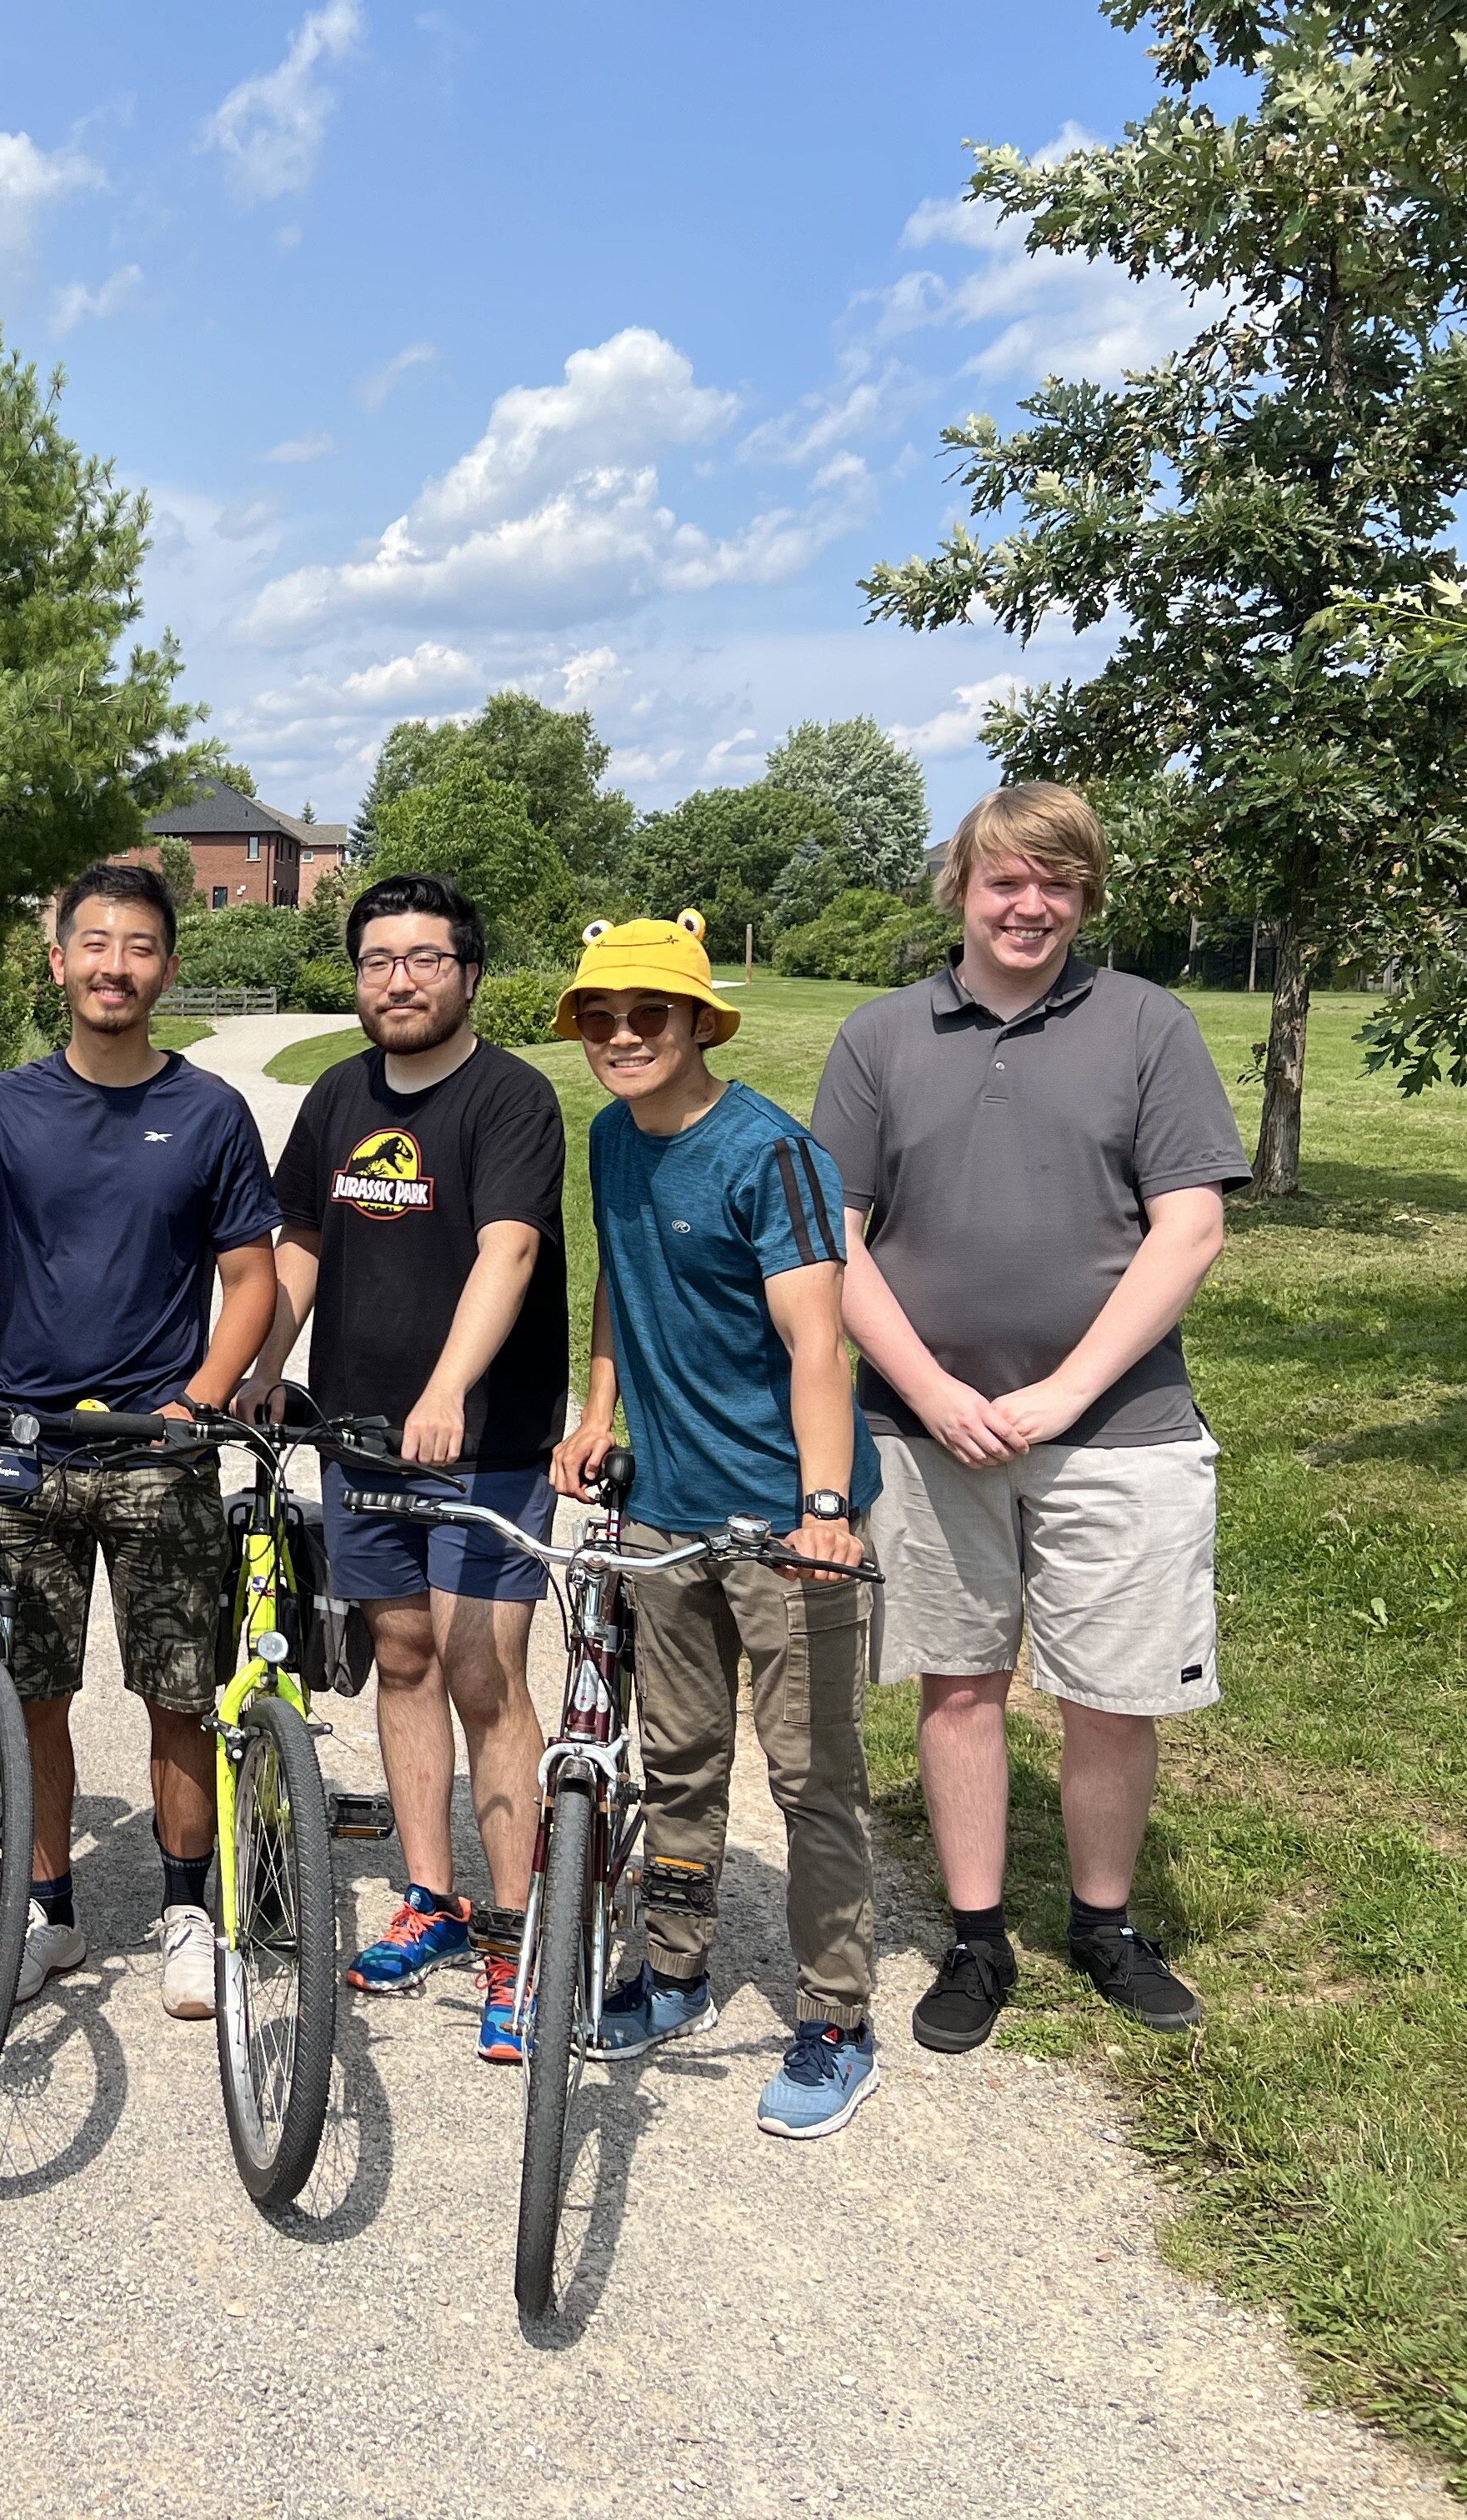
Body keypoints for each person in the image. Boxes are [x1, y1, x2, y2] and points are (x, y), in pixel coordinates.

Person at [811, 783, 1245, 2052]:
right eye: (1007, 879)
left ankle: (1105, 1923)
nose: (1031, 905)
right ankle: (976, 1935)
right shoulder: (881, 1037)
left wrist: (1064, 1391)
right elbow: (832, 1237)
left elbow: (1192, 1224)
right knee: (961, 1685)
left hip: (1124, 1426)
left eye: (1058, 882)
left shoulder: (1147, 1025)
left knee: (1114, 1694)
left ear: (1085, 896)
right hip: (925, 1424)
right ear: (963, 886)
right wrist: (936, 1392)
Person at [0, 861, 280, 2022]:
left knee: (178, 1697)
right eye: (94, 943)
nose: (114, 965)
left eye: (137, 947)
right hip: (23, 1451)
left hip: (158, 1449)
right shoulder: (3, 1108)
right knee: (30, 1696)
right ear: (60, 960)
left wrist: (205, 1396)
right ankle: (48, 1910)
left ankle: (188, 1911)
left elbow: (251, 1280)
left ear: (166, 968)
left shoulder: (212, 1114)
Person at [544, 909, 887, 2140]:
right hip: (664, 1513)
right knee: (678, 1761)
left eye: (649, 1015)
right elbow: (617, 1284)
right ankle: (676, 1969)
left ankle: (837, 2019)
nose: (623, 1036)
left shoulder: (770, 1154)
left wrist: (826, 1510)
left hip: (787, 1523)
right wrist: (597, 1411)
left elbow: (817, 1344)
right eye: (602, 1017)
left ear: (698, 1022)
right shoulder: (609, 1140)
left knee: (811, 1778)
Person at [235, 873, 566, 2067]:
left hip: (486, 1441)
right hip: (361, 1436)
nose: (400, 980)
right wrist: (270, 1361)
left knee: (485, 1668)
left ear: (468, 973)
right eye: (379, 961)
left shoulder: (511, 1098)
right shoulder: (336, 1097)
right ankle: (430, 1895)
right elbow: (306, 1243)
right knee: (404, 1655)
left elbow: (510, 1248)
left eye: (425, 959)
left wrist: (446, 1390)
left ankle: (518, 1932)